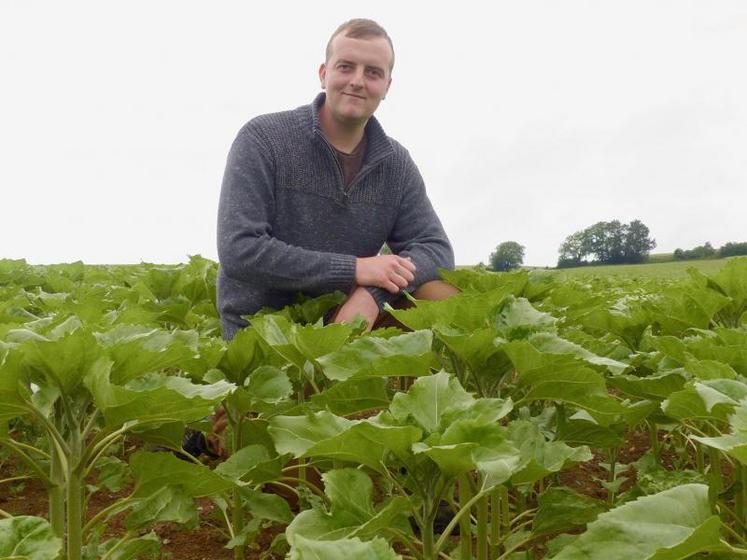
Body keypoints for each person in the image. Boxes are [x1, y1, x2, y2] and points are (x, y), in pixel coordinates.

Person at [216, 18, 456, 340]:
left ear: (387, 86)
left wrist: (372, 293)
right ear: (323, 74)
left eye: (373, 72)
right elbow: (239, 249)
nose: (357, 81)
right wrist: (355, 268)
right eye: (346, 67)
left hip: (349, 317)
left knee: (442, 294)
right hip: (268, 330)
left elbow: (436, 249)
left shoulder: (396, 165)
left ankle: (413, 387)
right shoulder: (264, 139)